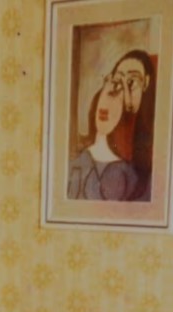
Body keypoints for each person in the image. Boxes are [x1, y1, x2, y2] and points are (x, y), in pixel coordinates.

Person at [67, 49, 156, 203]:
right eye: (116, 80)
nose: (120, 88)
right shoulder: (77, 162)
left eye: (131, 81)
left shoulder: (138, 175)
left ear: (146, 84)